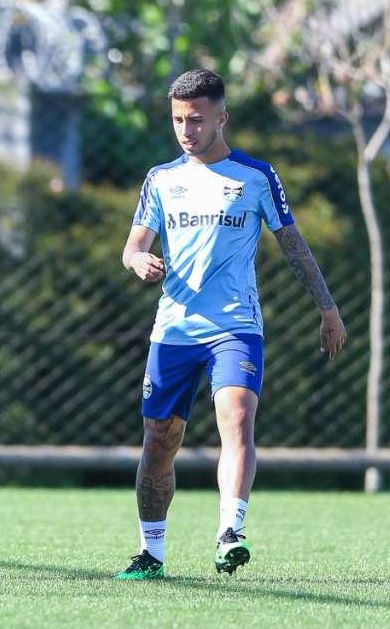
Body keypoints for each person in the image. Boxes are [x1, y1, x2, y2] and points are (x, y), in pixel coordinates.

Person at [115, 69, 347, 580]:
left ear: (222, 118)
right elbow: (134, 245)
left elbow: (294, 246)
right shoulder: (162, 179)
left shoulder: (256, 176)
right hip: (173, 330)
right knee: (159, 440)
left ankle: (229, 533)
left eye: (196, 119)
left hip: (235, 326)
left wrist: (327, 307)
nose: (185, 130)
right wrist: (137, 261)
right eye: (177, 119)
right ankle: (150, 552)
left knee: (237, 417)